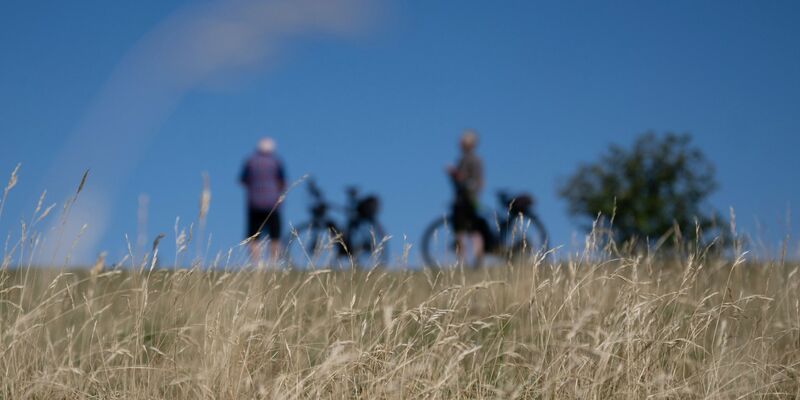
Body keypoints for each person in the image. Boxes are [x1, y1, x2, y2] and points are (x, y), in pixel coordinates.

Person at [240, 137, 286, 264]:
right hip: (273, 204)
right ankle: (273, 263)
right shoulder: (276, 162)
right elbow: (282, 182)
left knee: (254, 236)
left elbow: (242, 180)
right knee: (275, 236)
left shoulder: (250, 161)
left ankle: (256, 264)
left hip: (254, 204)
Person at [446, 130, 485, 266]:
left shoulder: (467, 159)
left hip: (464, 199)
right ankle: (477, 259)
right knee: (474, 229)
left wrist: (453, 173)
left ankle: (463, 262)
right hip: (472, 198)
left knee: (460, 231)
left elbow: (463, 179)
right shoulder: (476, 160)